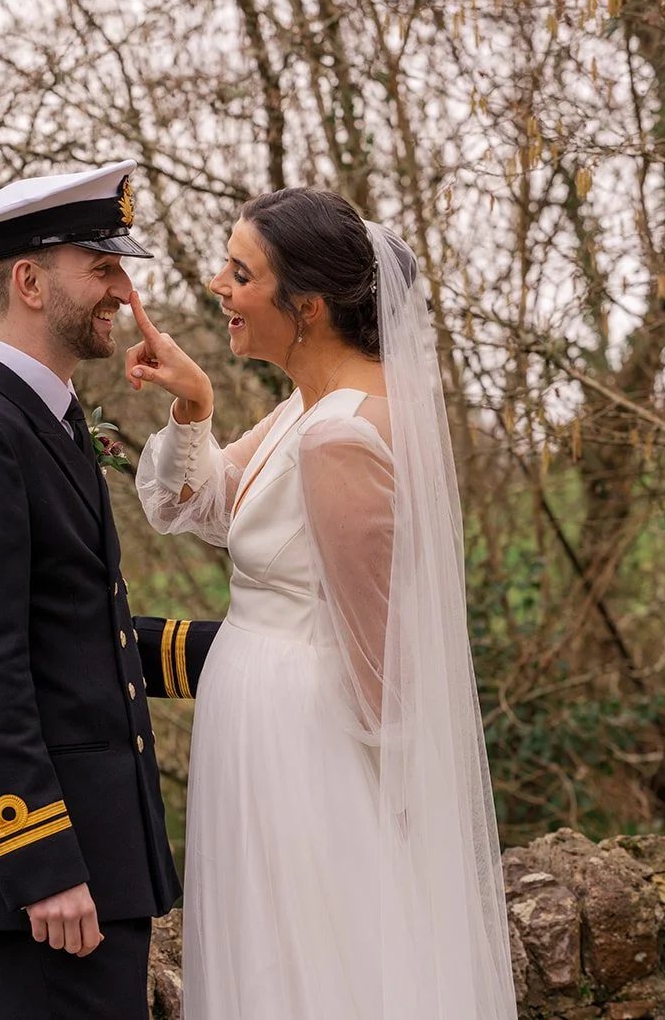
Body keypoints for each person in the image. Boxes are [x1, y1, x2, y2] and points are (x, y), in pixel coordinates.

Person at [126, 187, 519, 1018]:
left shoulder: (341, 435)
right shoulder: (308, 412)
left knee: (307, 970)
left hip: (303, 746)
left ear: (304, 306)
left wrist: (384, 810)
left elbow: (378, 650)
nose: (218, 288)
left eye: (240, 274)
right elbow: (190, 505)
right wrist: (194, 405)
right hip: (268, 726)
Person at [0, 160, 187, 1019]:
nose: (122, 290)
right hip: (53, 885)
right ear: (29, 280)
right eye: (101, 267)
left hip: (102, 864)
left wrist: (256, 645)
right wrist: (43, 862)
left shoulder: (51, 420)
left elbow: (79, 634)